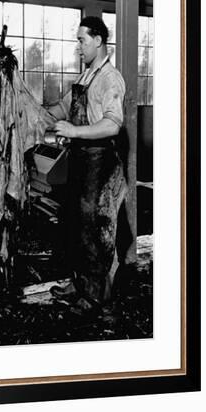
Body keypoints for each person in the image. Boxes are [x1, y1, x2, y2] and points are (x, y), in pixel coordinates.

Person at [47, 16, 128, 313]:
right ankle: (78, 283)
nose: (78, 47)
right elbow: (62, 107)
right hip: (80, 162)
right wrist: (32, 110)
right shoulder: (85, 77)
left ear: (98, 40)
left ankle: (95, 295)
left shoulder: (110, 78)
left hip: (100, 162)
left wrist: (74, 131)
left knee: (93, 229)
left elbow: (112, 124)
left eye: (82, 40)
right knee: (73, 225)